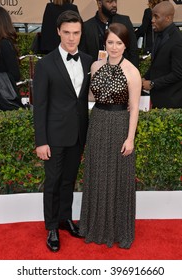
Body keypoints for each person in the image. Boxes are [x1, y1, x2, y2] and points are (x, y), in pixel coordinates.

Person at [33, 10, 92, 252]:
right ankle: (51, 228)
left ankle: (65, 219)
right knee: (53, 182)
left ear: (81, 33)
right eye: (66, 32)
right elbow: (40, 106)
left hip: (78, 133)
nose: (71, 38)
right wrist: (41, 141)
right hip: (54, 136)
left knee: (69, 180)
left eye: (76, 33)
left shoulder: (89, 61)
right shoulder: (45, 65)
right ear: (58, 32)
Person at [79, 23, 141, 248]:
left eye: (119, 43)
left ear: (125, 45)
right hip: (97, 123)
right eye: (110, 42)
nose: (114, 47)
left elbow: (134, 107)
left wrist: (130, 138)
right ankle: (94, 226)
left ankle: (117, 229)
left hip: (119, 126)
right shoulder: (95, 66)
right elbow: (91, 96)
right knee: (97, 174)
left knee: (117, 176)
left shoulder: (132, 71)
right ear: (104, 43)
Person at [142, 1, 182, 109]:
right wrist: (144, 77)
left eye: (156, 17)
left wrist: (153, 83)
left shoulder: (177, 40)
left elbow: (178, 74)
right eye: (152, 16)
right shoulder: (159, 35)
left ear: (168, 18)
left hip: (171, 104)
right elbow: (156, 65)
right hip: (158, 101)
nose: (152, 20)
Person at [80, 0, 139, 67]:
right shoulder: (87, 26)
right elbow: (83, 55)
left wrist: (132, 72)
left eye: (115, 1)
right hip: (96, 72)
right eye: (109, 2)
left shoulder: (124, 21)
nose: (114, 5)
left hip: (122, 71)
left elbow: (133, 51)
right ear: (99, 4)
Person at [0, 6, 23, 110]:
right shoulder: (3, 44)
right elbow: (15, 74)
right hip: (2, 97)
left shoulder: (3, 44)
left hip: (2, 98)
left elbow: (14, 74)